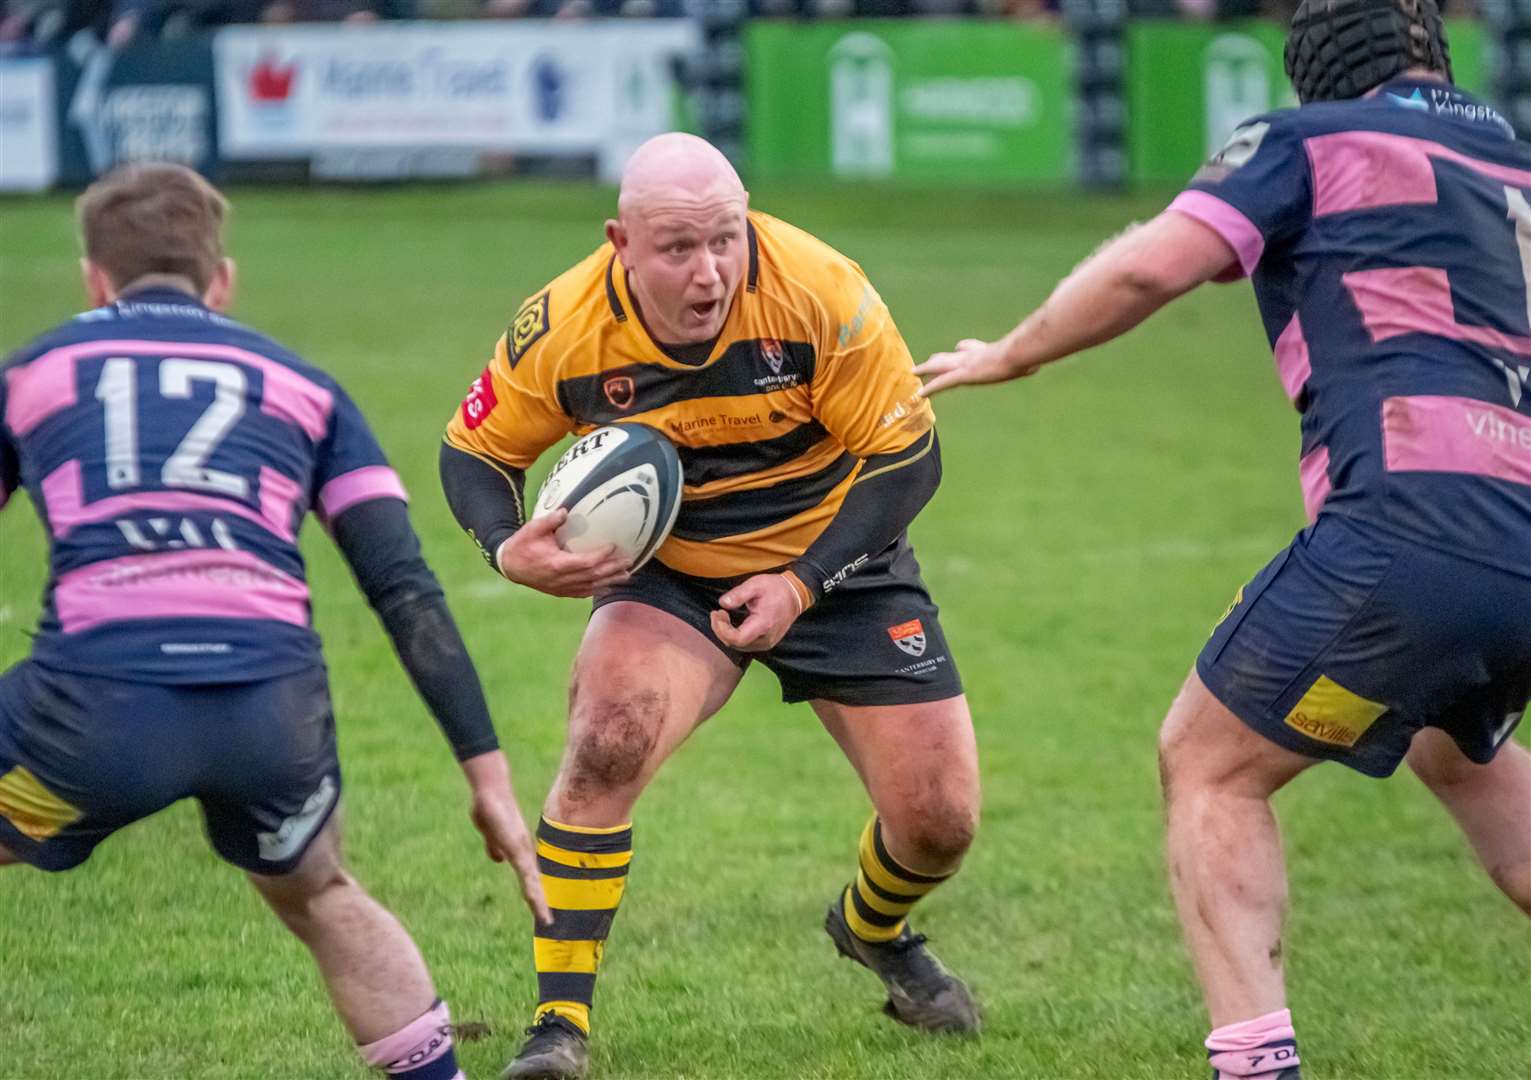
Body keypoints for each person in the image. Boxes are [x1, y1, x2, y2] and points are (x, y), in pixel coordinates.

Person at [916, 1, 1531, 1077]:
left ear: (1313, 68)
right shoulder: (1514, 167)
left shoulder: (1311, 141)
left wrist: (1013, 353)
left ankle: (1256, 1066)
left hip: (1412, 531)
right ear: (1432, 49)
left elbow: (1151, 266)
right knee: (1457, 752)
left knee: (1208, 763)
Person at [440, 132, 981, 1079]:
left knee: (939, 823)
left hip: (837, 560)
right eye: (678, 248)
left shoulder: (820, 289)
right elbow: (474, 452)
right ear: (621, 241)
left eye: (726, 240)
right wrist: (505, 546)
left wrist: (802, 581)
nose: (710, 271)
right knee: (606, 741)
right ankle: (557, 1027)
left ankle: (870, 926)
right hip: (675, 574)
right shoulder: (564, 325)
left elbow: (907, 459)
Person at [0, 163, 551, 1080]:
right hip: (270, 728)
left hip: (90, 729)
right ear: (224, 282)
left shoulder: (33, 373)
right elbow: (401, 585)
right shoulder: (309, 389)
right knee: (316, 887)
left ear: (94, 279)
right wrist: (487, 775)